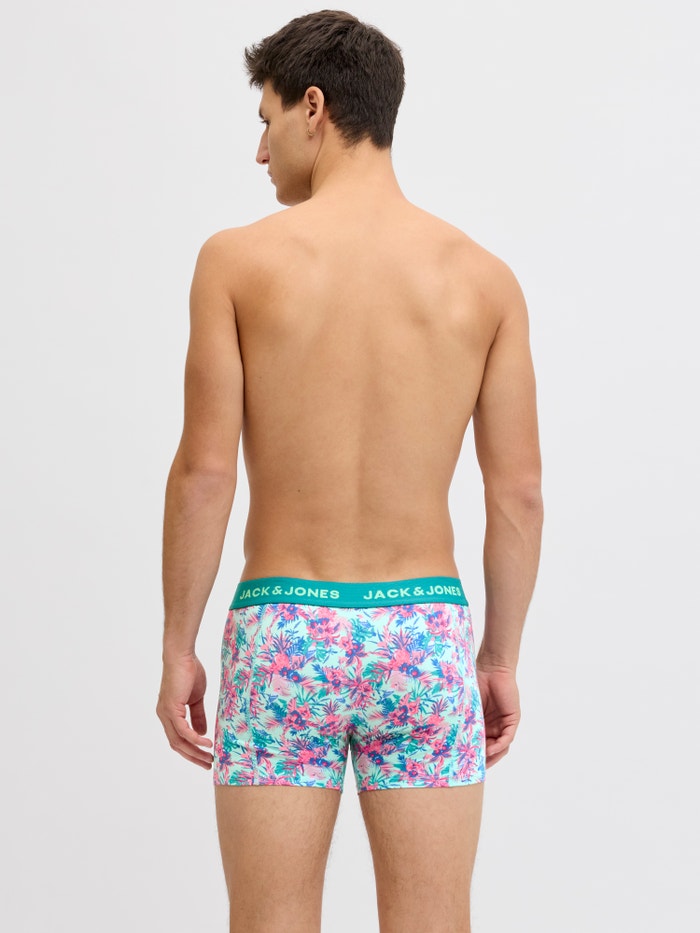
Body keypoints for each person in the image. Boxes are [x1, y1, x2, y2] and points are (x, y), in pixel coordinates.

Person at [156, 9, 543, 933]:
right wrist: (497, 658)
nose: (260, 151)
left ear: (313, 107)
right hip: (424, 631)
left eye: (265, 120)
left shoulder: (236, 262)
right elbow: (518, 493)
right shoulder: (483, 280)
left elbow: (205, 472)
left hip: (284, 629)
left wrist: (177, 645)